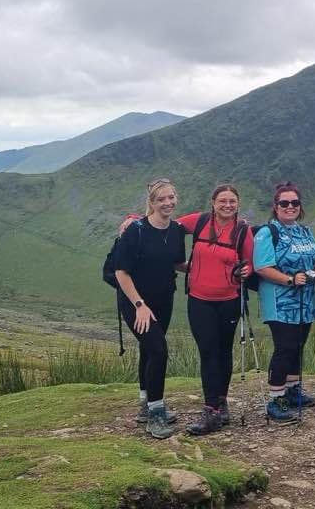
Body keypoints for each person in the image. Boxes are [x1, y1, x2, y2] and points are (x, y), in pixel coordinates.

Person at [177, 184, 255, 435]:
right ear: (213, 202)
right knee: (209, 352)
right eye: (223, 201)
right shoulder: (199, 222)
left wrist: (246, 270)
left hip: (229, 300)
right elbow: (166, 225)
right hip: (199, 300)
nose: (228, 205)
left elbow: (250, 264)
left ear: (238, 203)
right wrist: (132, 220)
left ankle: (221, 404)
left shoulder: (243, 230)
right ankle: (211, 409)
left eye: (232, 201)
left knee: (223, 351)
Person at [113, 178, 188, 439]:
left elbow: (178, 263)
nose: (167, 203)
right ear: (152, 203)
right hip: (136, 302)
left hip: (164, 300)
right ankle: (156, 413)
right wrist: (139, 305)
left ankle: (145, 404)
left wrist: (211, 266)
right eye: (161, 200)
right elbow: (121, 272)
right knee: (158, 350)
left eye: (171, 198)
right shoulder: (136, 231)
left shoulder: (177, 230)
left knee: (149, 348)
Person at [253, 181, 315, 424]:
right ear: (276, 206)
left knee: (298, 345)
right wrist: (291, 280)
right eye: (285, 203)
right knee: (285, 348)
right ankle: (276, 398)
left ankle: (293, 390)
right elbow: (262, 267)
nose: (290, 206)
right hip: (280, 302)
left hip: (306, 301)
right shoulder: (267, 232)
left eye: (295, 202)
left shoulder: (305, 231)